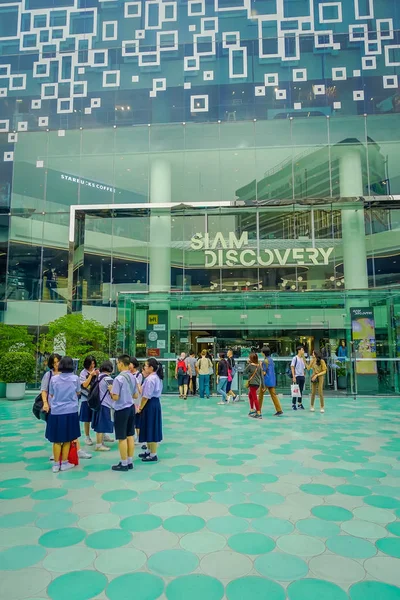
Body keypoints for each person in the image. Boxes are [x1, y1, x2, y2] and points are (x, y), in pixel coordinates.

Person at [43, 356, 81, 473]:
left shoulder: (54, 379)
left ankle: (56, 464)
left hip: (56, 412)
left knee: (57, 439)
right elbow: (78, 392)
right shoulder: (75, 378)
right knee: (68, 438)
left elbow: (52, 394)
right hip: (71, 411)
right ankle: (64, 463)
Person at [109, 354, 138, 472]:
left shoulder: (118, 379)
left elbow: (115, 397)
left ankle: (123, 462)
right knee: (130, 435)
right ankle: (130, 461)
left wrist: (111, 390)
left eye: (117, 363)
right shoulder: (133, 376)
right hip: (131, 407)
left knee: (122, 437)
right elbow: (136, 395)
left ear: (121, 363)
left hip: (121, 409)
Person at [138, 358, 163, 463]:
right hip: (154, 403)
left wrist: (140, 408)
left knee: (151, 427)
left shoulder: (150, 379)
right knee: (149, 426)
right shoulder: (155, 377)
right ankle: (149, 450)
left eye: (146, 366)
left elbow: (146, 396)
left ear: (151, 368)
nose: (144, 367)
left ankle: (153, 454)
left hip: (150, 404)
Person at [91, 360, 115, 451]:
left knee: (99, 423)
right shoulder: (108, 379)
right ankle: (99, 444)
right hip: (105, 404)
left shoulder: (98, 377)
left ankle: (100, 442)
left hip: (98, 403)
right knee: (101, 425)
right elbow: (113, 392)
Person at [79, 355, 99, 446]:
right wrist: (91, 375)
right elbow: (84, 385)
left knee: (98, 417)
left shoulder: (97, 371)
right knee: (87, 419)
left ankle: (102, 434)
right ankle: (87, 437)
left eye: (94, 363)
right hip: (86, 399)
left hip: (96, 398)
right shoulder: (83, 373)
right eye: (91, 364)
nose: (92, 366)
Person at [260, 347, 283, 416]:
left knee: (260, 395)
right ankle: (279, 410)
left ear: (263, 353)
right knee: (273, 395)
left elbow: (264, 372)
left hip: (266, 381)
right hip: (272, 380)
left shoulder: (265, 361)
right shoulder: (271, 360)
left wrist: (260, 366)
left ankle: (258, 409)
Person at [244, 353, 263, 419]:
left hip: (252, 383)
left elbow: (244, 372)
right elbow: (262, 376)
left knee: (255, 398)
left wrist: (248, 364)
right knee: (250, 395)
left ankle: (258, 412)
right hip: (257, 384)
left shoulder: (250, 365)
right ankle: (252, 409)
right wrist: (262, 385)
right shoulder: (259, 366)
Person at [291, 345, 307, 410]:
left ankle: (299, 403)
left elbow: (304, 367)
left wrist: (304, 374)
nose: (303, 351)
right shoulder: (295, 358)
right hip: (297, 376)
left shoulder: (303, 359)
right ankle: (293, 404)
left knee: (300, 390)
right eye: (302, 350)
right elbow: (292, 367)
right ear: (299, 350)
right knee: (295, 390)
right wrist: (294, 376)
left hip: (302, 376)